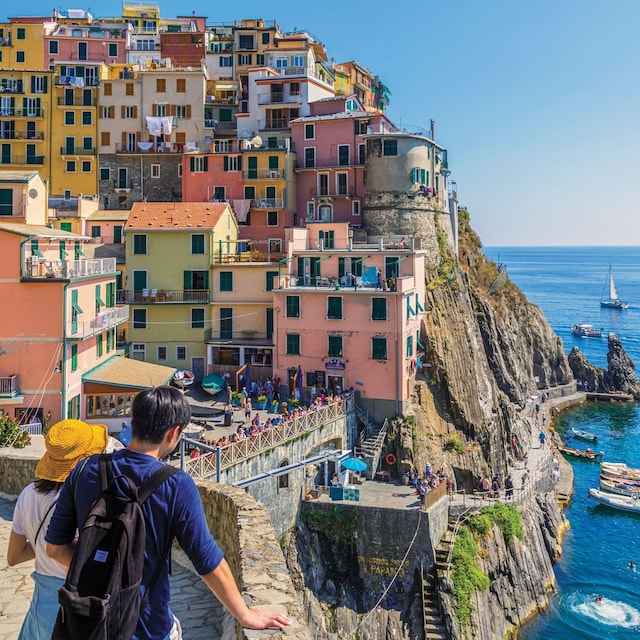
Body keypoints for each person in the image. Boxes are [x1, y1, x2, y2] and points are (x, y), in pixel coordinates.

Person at [45, 386, 290, 640]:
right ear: (174, 433)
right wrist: (245, 615)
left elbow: (54, 548)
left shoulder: (84, 469)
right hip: (147, 627)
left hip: (87, 621)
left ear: (134, 422)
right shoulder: (175, 485)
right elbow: (207, 560)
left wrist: (102, 568)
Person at [7, 419, 110, 640]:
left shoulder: (28, 495)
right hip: (75, 604)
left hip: (40, 606)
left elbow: (14, 556)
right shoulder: (86, 498)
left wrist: (45, 543)